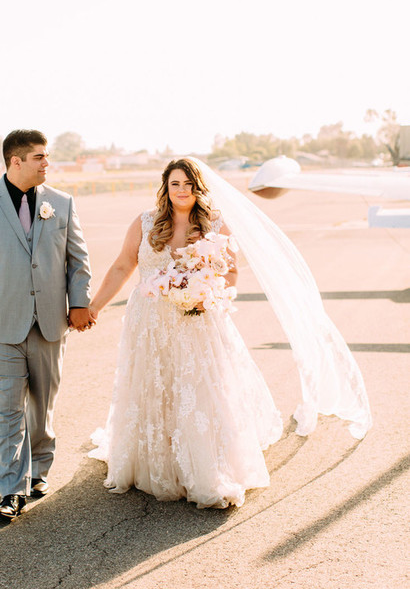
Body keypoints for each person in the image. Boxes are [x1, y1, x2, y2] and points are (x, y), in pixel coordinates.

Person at [88, 157, 371, 509]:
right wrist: (95, 306)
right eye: (176, 184)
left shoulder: (215, 224)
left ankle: (204, 466)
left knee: (198, 390)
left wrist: (206, 296)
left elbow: (231, 273)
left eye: (189, 185)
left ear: (199, 188)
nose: (182, 191)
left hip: (197, 319)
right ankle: (155, 458)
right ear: (165, 186)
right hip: (149, 323)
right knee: (154, 384)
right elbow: (121, 266)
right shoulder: (144, 222)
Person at [0, 130, 94, 519]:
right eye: (39, 157)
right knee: (7, 410)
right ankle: (11, 491)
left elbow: (77, 260)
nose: (47, 163)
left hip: (50, 324)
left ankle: (39, 471)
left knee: (42, 406)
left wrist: (79, 303)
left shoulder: (61, 203)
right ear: (15, 161)